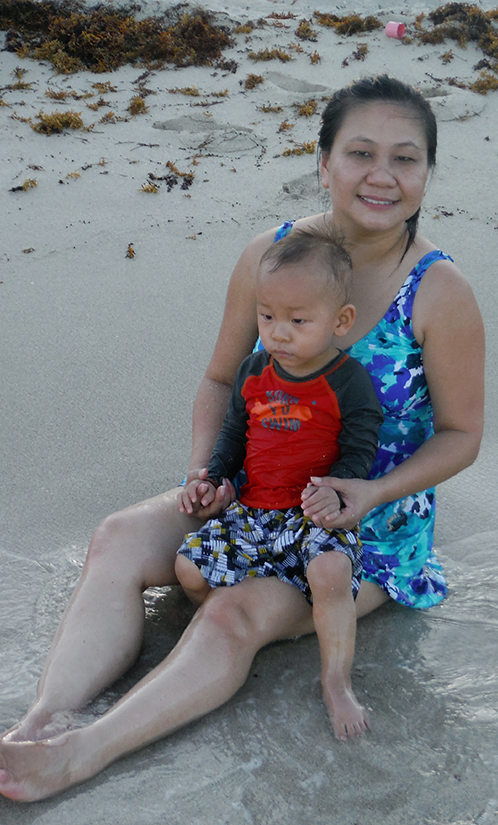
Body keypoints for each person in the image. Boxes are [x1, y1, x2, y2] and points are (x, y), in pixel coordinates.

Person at [0, 73, 485, 802]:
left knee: (231, 612)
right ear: (322, 163)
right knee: (118, 536)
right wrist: (207, 468)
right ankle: (38, 723)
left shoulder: (440, 290)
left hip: (366, 521)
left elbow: (461, 435)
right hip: (254, 486)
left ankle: (78, 754)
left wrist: (373, 491)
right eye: (360, 153)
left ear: (427, 171)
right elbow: (224, 381)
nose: (382, 176)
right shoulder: (273, 254)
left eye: (406, 158)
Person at [175, 225, 383, 740]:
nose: (279, 333)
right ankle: (264, 617)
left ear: (341, 321)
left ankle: (336, 680)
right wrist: (211, 477)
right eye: (267, 317)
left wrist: (338, 488)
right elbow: (233, 432)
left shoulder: (346, 380)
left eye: (298, 320)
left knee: (332, 570)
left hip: (311, 513)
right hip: (251, 512)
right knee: (187, 568)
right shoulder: (252, 371)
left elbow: (362, 444)